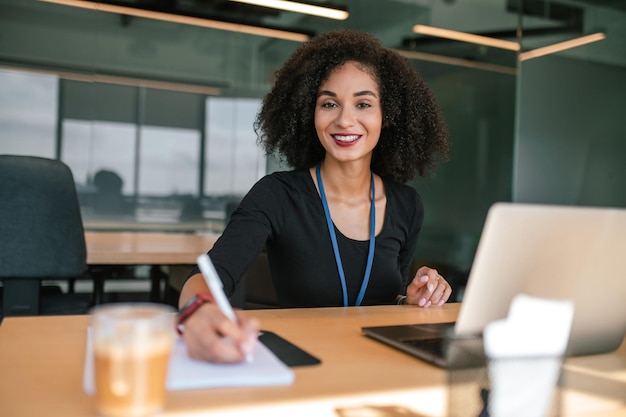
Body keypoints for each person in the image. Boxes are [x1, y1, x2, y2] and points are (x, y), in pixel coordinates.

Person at [178, 29, 451, 363]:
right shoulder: (277, 195)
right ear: (310, 114)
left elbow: (383, 301)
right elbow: (207, 279)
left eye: (363, 103)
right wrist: (198, 311)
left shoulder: (407, 206)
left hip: (378, 366)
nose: (344, 119)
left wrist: (411, 301)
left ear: (388, 116)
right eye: (329, 103)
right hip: (303, 366)